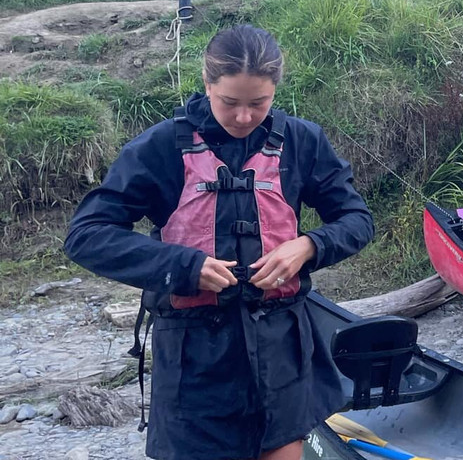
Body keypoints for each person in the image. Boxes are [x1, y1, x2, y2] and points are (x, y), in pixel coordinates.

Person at [65, 24, 374, 460]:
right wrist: (183, 267)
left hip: (281, 343)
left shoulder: (303, 142)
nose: (244, 117)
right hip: (195, 359)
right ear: (207, 83)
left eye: (258, 103)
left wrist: (308, 246)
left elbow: (357, 220)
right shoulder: (160, 148)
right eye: (230, 102)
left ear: (275, 91)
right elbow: (86, 236)